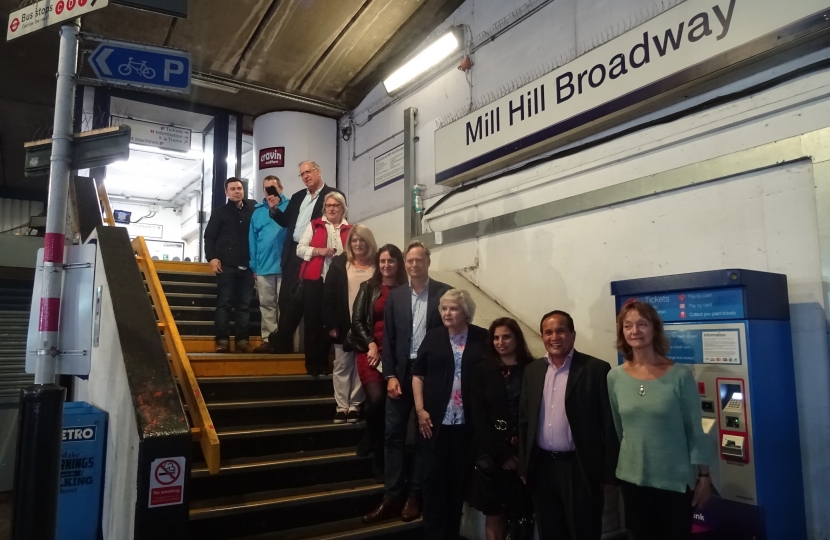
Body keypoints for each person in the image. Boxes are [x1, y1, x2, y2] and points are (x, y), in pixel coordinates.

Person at [363, 241, 452, 524]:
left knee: (425, 437)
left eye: (419, 260)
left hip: (429, 373)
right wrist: (388, 375)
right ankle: (392, 495)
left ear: (428, 261)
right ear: (406, 264)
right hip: (399, 373)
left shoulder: (443, 293)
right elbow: (388, 339)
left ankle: (415, 496)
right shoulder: (396, 296)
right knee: (393, 435)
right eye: (410, 261)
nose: (414, 265)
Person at [608, 300, 712, 540]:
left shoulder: (680, 375)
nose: (635, 331)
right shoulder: (614, 377)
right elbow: (618, 428)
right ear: (622, 332)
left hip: (673, 481)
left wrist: (704, 476)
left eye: (642, 324)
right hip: (633, 478)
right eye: (628, 325)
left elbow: (695, 430)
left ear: (654, 328)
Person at [518, 310, 619, 540]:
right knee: (550, 532)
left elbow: (608, 424)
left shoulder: (596, 370)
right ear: (542, 336)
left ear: (572, 335)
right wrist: (524, 465)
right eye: (548, 332)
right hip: (542, 468)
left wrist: (608, 474)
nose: (554, 337)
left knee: (583, 531)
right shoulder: (533, 371)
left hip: (580, 469)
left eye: (560, 331)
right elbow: (525, 421)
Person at [412, 289, 487, 540]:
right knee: (433, 485)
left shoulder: (481, 338)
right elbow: (418, 374)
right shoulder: (433, 337)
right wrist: (420, 410)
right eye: (444, 308)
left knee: (457, 486)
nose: (447, 313)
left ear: (466, 311)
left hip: (467, 427)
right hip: (433, 424)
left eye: (453, 308)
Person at [469, 318, 535, 540]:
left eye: (506, 336)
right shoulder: (481, 369)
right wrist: (502, 454)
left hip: (525, 455)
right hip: (492, 457)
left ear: (517, 338)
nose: (501, 342)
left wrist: (521, 455)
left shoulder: (533, 368)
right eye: (496, 337)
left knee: (524, 513)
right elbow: (478, 417)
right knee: (495, 514)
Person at [267, 161, 341, 353]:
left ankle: (314, 354)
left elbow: (335, 221)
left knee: (313, 305)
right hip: (293, 253)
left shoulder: (332, 195)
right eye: (302, 174)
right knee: (286, 300)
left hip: (316, 256)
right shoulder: (298, 196)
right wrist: (275, 210)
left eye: (308, 172)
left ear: (318, 171)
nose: (305, 176)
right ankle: (282, 344)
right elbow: (286, 222)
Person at [351, 244, 408, 481]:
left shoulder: (407, 290)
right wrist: (370, 343)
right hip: (371, 351)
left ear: (398, 264)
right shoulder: (369, 288)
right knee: (376, 399)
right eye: (382, 261)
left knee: (391, 405)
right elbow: (357, 321)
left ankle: (377, 448)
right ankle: (375, 444)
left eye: (391, 261)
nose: (386, 265)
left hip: (395, 355)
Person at [323, 224, 377, 423]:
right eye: (354, 240)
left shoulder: (377, 265)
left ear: (369, 242)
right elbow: (328, 295)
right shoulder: (340, 263)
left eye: (362, 240)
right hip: (344, 324)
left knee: (361, 365)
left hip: (367, 326)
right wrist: (332, 324)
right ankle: (341, 406)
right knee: (342, 366)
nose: (358, 243)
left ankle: (355, 406)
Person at [294, 191, 351, 376]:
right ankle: (312, 366)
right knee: (312, 324)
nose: (332, 209)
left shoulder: (350, 229)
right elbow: (300, 249)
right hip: (315, 280)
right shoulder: (315, 225)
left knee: (331, 324)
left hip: (337, 285)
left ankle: (324, 363)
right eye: (328, 205)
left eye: (336, 205)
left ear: (343, 208)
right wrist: (320, 250)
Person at [204, 177, 257, 353]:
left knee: (244, 306)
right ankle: (222, 341)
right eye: (233, 189)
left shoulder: (254, 209)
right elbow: (209, 237)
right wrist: (211, 258)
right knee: (224, 304)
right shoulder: (219, 213)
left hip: (248, 266)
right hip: (226, 266)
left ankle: (242, 341)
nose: (237, 191)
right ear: (226, 192)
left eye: (239, 188)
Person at [249, 175, 289, 353]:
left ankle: (284, 340)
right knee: (266, 305)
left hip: (285, 267)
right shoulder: (257, 213)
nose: (269, 192)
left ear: (280, 188)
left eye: (273, 188)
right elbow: (252, 241)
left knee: (285, 306)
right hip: (263, 268)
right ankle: (268, 340)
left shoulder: (290, 206)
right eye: (266, 189)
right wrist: (254, 266)